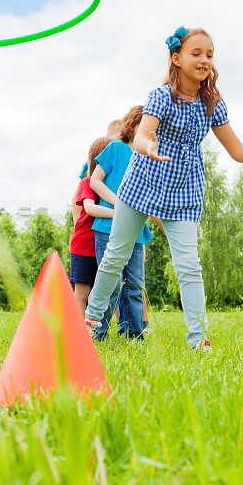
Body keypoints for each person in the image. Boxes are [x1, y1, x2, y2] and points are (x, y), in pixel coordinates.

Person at [85, 27, 243, 350]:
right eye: (196, 53)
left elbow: (237, 149)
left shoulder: (211, 103)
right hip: (142, 183)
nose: (205, 60)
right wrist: (146, 146)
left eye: (210, 54)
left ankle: (199, 339)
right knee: (115, 256)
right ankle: (91, 320)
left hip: (183, 192)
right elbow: (144, 134)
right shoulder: (161, 98)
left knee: (189, 266)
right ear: (176, 58)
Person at [89, 106, 155, 340]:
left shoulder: (147, 157)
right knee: (112, 285)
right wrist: (119, 204)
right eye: (146, 124)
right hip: (108, 229)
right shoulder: (116, 148)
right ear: (133, 125)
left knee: (135, 286)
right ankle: (98, 333)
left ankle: (134, 335)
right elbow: (95, 181)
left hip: (136, 232)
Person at [68, 137, 111, 315]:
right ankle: (78, 330)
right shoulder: (87, 183)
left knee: (101, 291)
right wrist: (119, 214)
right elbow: (89, 208)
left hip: (102, 244)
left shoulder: (111, 186)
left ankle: (96, 329)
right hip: (83, 246)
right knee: (82, 292)